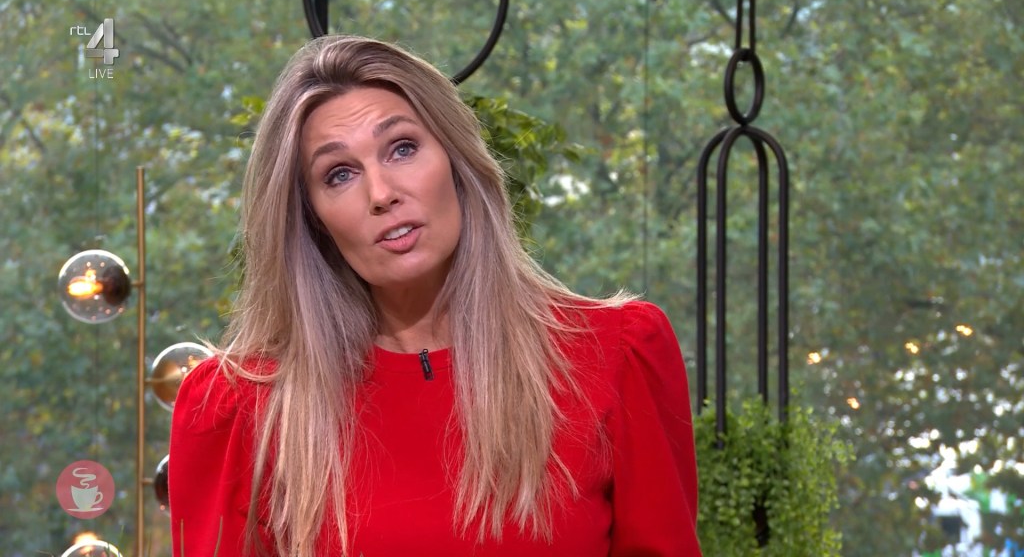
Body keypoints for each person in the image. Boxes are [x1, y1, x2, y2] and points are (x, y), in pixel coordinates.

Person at [169, 34, 701, 557]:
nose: (382, 194)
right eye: (339, 174)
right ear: (312, 220)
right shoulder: (239, 409)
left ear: (456, 160)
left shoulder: (616, 355)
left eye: (402, 148)